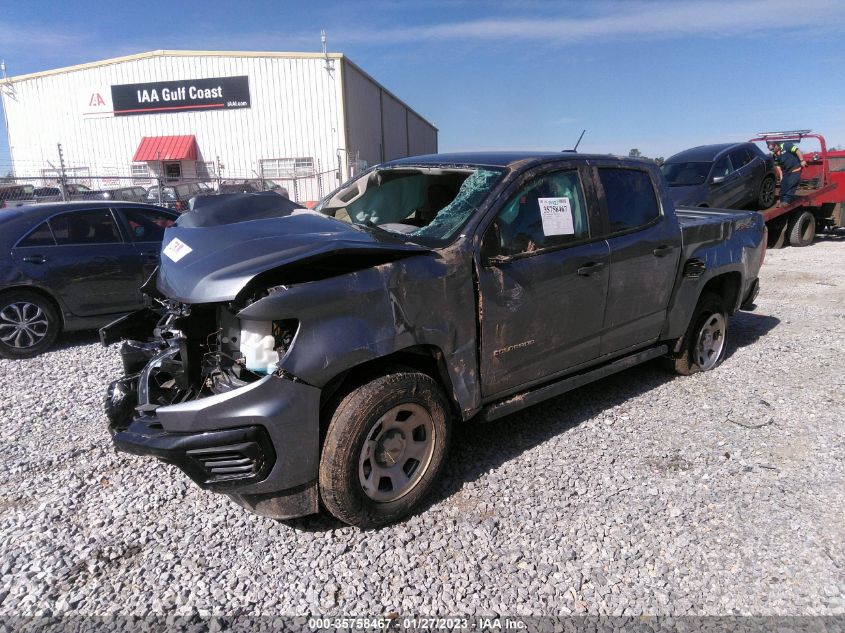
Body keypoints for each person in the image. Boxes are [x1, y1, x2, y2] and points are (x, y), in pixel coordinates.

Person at [768, 140, 807, 206]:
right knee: (783, 185)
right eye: (771, 150)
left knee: (791, 184)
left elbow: (797, 150)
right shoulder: (775, 155)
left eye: (773, 149)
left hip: (795, 169)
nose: (772, 151)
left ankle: (787, 201)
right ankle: (781, 200)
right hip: (786, 171)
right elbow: (778, 166)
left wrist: (802, 160)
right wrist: (781, 176)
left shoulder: (786, 146)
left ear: (776, 145)